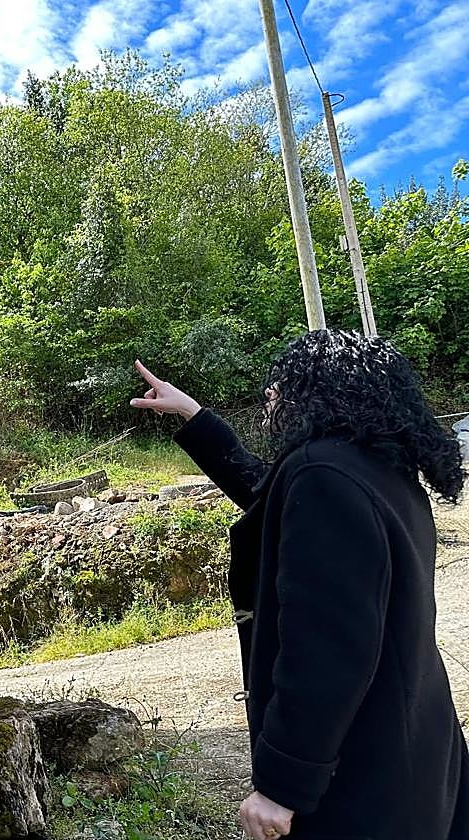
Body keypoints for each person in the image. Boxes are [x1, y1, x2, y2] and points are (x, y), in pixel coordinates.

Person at [130, 330, 469, 840]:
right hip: (414, 749)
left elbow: (327, 650)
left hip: (361, 780)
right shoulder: (370, 466)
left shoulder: (324, 475)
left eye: (287, 379)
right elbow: (268, 494)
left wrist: (283, 786)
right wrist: (194, 416)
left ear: (327, 388)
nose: (272, 391)